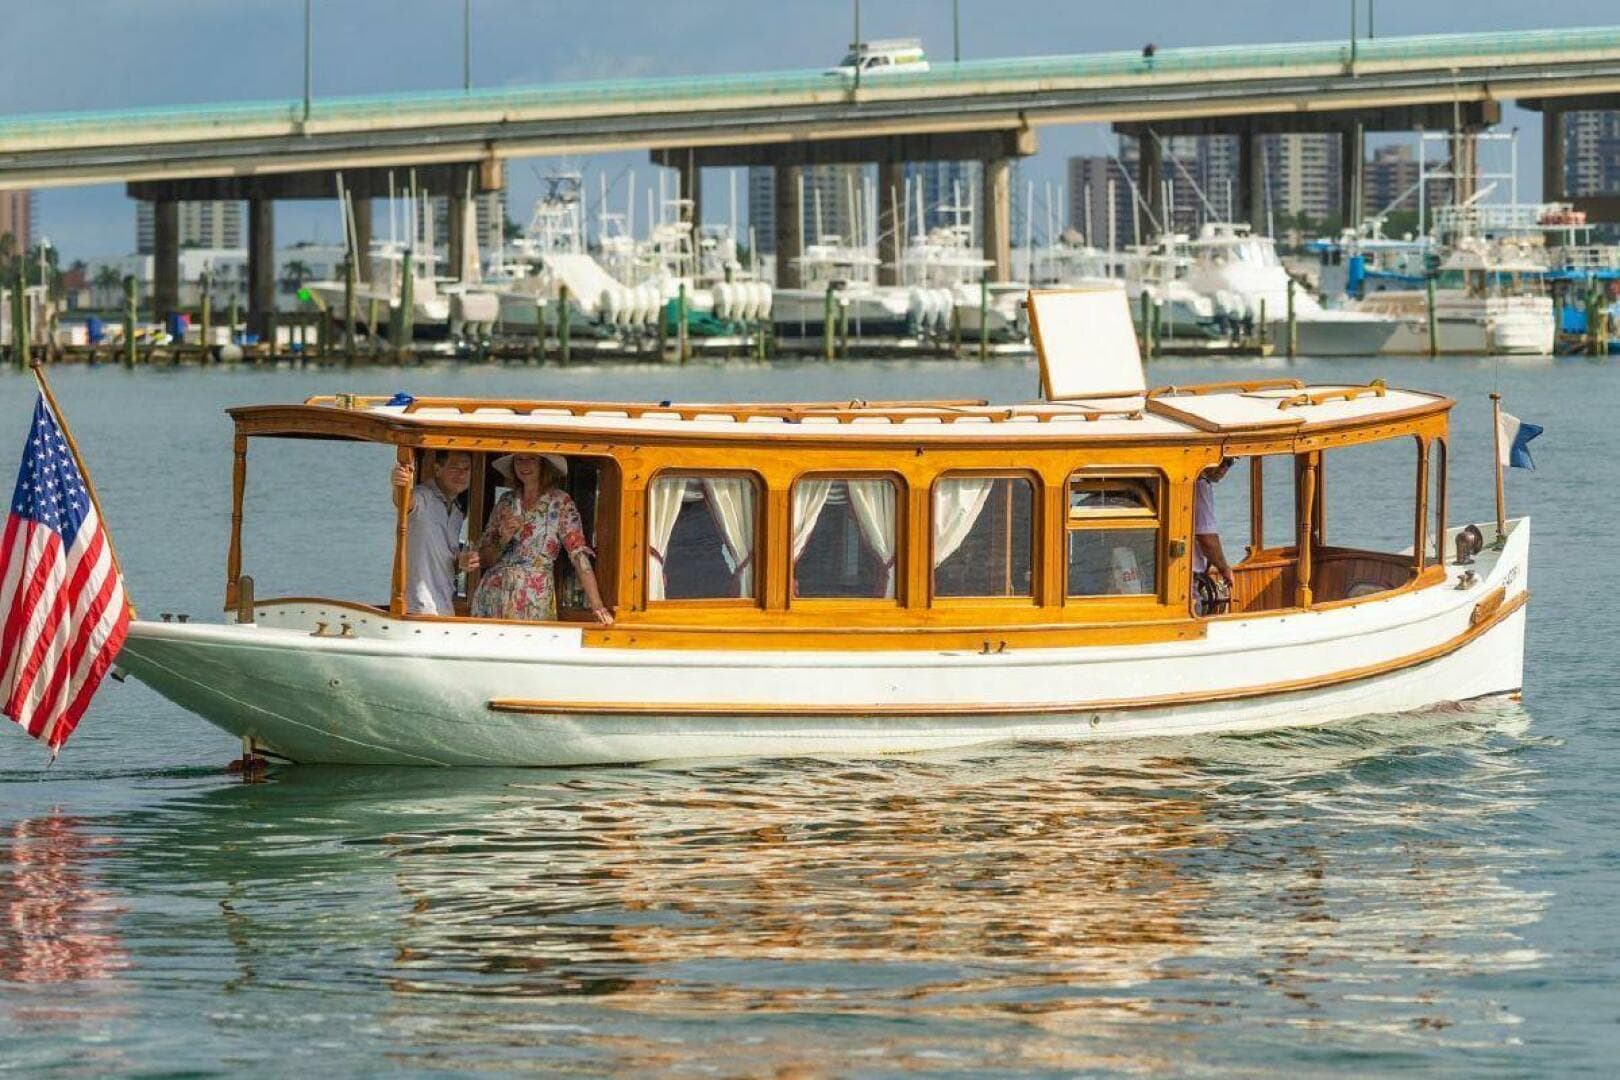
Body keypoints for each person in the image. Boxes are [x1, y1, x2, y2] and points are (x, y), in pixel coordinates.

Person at [472, 453, 613, 624]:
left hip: (533, 600)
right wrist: (503, 539)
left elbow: (578, 556)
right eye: (519, 459)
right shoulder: (505, 501)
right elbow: (484, 559)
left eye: (532, 459)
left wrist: (597, 605)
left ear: (543, 465)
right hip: (492, 598)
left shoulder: (560, 502)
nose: (525, 465)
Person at [392, 450, 479, 616]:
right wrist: (399, 482)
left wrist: (461, 563)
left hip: (445, 608)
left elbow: (446, 561)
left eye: (466, 469)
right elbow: (403, 501)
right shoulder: (423, 496)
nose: (461, 474)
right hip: (415, 608)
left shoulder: (457, 513)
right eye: (454, 468)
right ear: (438, 469)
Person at [1193, 456, 1235, 616]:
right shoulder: (1201, 485)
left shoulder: (1194, 483)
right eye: (1223, 461)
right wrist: (1224, 569)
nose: (1225, 468)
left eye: (1230, 463)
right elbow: (1207, 539)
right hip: (1189, 580)